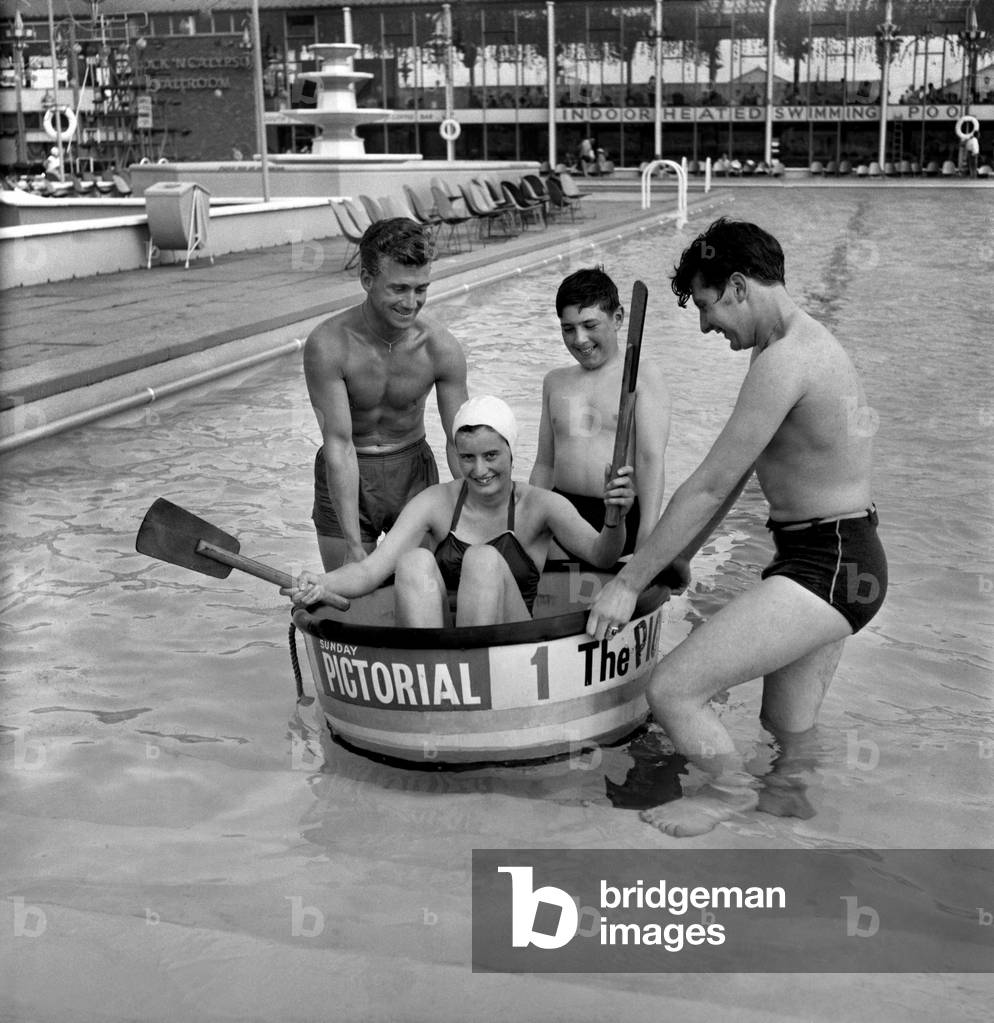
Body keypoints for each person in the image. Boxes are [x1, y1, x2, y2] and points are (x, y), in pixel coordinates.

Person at [586, 217, 887, 837]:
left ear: (740, 286)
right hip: (839, 558)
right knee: (787, 739)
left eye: (706, 305)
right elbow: (740, 473)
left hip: (827, 565)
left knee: (673, 690)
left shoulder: (787, 360)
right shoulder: (790, 348)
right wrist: (680, 556)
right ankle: (791, 838)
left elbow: (708, 483)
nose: (705, 325)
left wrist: (627, 583)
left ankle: (727, 793)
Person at [285, 396, 635, 627]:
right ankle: (431, 678)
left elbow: (602, 556)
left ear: (511, 452)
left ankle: (471, 676)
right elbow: (370, 571)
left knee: (482, 559)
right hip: (443, 653)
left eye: (491, 455)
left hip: (508, 645)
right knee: (413, 561)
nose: (480, 470)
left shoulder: (541, 505)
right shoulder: (435, 502)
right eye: (468, 457)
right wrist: (320, 583)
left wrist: (615, 518)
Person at [305, 217, 468, 571]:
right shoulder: (329, 344)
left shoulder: (440, 347)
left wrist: (477, 517)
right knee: (348, 593)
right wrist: (353, 545)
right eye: (399, 289)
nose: (411, 302)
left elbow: (460, 441)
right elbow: (339, 444)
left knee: (420, 584)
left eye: (421, 289)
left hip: (412, 472)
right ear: (367, 280)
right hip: (348, 469)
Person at [530, 267, 670, 561]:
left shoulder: (642, 377)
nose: (580, 339)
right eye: (568, 329)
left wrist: (647, 535)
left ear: (617, 318)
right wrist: (528, 521)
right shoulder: (555, 382)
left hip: (621, 513)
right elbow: (544, 463)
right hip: (561, 517)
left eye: (589, 325)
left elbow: (650, 460)